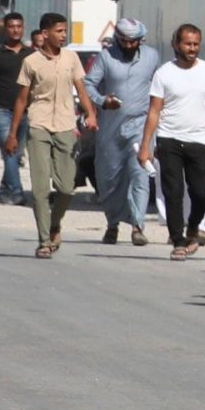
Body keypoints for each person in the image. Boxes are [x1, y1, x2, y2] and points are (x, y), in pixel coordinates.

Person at [9, 13, 98, 258]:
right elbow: (21, 99)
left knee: (67, 187)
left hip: (65, 126)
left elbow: (81, 88)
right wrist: (13, 133)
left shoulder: (71, 58)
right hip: (38, 124)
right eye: (59, 31)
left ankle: (54, 223)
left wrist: (90, 114)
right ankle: (44, 240)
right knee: (40, 189)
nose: (63, 35)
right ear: (45, 34)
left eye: (64, 31)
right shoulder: (31, 62)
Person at [139, 24, 205, 259]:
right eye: (187, 44)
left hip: (200, 140)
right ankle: (178, 240)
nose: (192, 48)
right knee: (173, 192)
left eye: (196, 44)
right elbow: (154, 111)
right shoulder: (164, 73)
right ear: (176, 45)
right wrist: (146, 145)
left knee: (202, 194)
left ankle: (193, 227)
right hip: (169, 139)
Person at [88, 20, 162, 246]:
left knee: (139, 174)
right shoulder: (106, 57)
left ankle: (138, 226)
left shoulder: (152, 57)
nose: (129, 45)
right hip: (111, 127)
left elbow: (160, 87)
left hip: (140, 126)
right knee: (110, 178)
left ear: (141, 40)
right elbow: (88, 84)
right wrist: (102, 101)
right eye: (124, 41)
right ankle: (112, 224)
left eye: (133, 41)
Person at [0, 12, 28, 202]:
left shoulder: (31, 55)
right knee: (9, 150)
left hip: (25, 111)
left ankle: (4, 189)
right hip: (1, 109)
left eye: (18, 26)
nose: (15, 30)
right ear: (6, 29)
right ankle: (17, 192)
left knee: (16, 155)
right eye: (11, 26)